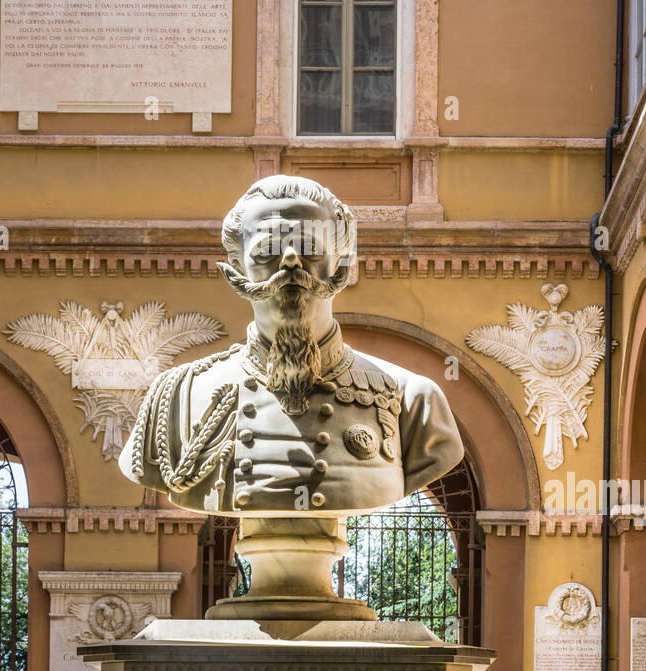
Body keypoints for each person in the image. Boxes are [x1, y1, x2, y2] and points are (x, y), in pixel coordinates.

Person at [121, 174, 463, 515]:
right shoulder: (177, 397)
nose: (289, 262)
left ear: (341, 262)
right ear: (237, 267)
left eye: (309, 247)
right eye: (266, 249)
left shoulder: (414, 400)